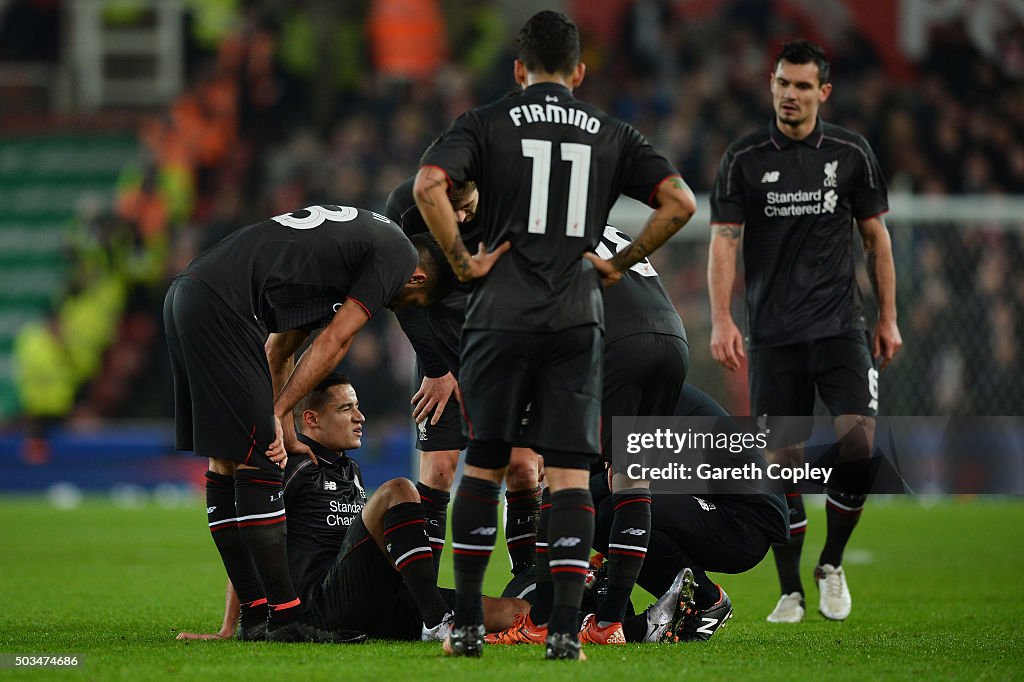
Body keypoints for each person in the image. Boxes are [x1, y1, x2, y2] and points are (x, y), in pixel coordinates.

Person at [414, 10, 696, 659]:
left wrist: (461, 262)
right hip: (576, 315)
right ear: (578, 71)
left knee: (485, 465)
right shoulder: (610, 132)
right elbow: (679, 201)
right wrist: (617, 264)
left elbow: (430, 185)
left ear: (518, 69)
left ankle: (467, 629)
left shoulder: (485, 122)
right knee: (571, 474)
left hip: (502, 312)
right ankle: (569, 631)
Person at [164, 204, 456, 642]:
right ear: (415, 280)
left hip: (190, 293)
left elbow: (279, 352)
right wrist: (278, 413)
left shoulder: (337, 264)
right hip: (224, 308)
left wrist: (280, 423)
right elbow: (336, 341)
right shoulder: (396, 255)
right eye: (413, 304)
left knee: (226, 463)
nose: (399, 309)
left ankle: (255, 619)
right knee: (259, 463)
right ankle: (284, 621)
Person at [707, 40, 902, 623]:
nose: (789, 95)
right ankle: (790, 589)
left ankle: (832, 563)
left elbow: (876, 240)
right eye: (781, 83)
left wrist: (888, 317)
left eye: (801, 85)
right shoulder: (743, 157)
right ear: (771, 85)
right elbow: (724, 241)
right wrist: (721, 318)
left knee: (859, 447)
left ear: (823, 92)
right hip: (772, 335)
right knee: (780, 461)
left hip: (841, 325)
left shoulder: (850, 152)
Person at [176, 373, 528, 642]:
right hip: (320, 606)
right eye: (346, 408)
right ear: (311, 419)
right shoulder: (294, 468)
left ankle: (576, 623)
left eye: (357, 406)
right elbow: (253, 540)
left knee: (514, 612)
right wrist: (230, 626)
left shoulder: (350, 469)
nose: (360, 417)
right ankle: (436, 619)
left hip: (372, 598)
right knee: (399, 489)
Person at [485, 224, 690, 647]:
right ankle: (609, 625)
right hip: (671, 339)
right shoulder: (596, 221)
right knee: (631, 478)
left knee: (563, 477)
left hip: (612, 343)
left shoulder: (533, 227)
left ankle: (539, 622)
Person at [386, 176, 542, 578]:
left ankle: (527, 587)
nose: (458, 218)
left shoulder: (511, 206)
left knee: (524, 469)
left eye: (467, 209)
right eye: (448, 208)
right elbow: (398, 293)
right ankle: (425, 601)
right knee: (438, 470)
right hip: (439, 350)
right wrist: (438, 369)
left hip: (505, 350)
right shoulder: (403, 207)